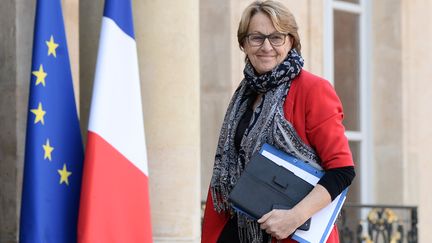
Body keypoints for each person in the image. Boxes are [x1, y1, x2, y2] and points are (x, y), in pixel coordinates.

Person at [201, 0, 356, 242]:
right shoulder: (243, 95)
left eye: (276, 37)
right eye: (256, 37)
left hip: (289, 233)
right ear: (243, 44)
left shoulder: (313, 90)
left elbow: (342, 171)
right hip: (236, 230)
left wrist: (294, 218)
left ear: (291, 41)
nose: (266, 46)